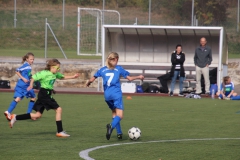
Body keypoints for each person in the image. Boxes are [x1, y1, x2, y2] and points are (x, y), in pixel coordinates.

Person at [9, 59, 79, 137]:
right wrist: (31, 85)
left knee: (37, 115)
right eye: (57, 68)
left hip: (46, 94)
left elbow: (62, 77)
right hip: (44, 94)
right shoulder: (44, 73)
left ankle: (15, 117)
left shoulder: (55, 74)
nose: (58, 69)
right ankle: (60, 131)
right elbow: (33, 77)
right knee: (58, 109)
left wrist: (73, 76)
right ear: (52, 67)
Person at [86, 52, 144, 140]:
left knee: (114, 112)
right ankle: (111, 126)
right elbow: (129, 78)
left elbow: (92, 79)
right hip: (116, 94)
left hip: (107, 96)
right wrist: (139, 77)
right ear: (116, 59)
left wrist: (89, 83)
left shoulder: (102, 70)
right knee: (120, 115)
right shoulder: (118, 68)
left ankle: (119, 133)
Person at [4, 52, 36, 121]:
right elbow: (17, 71)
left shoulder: (28, 66)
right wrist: (23, 78)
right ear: (27, 59)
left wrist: (31, 78)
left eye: (33, 59)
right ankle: (28, 114)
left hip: (21, 85)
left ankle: (8, 112)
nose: (32, 61)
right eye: (31, 59)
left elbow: (27, 74)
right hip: (25, 86)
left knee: (18, 98)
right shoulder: (26, 65)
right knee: (33, 97)